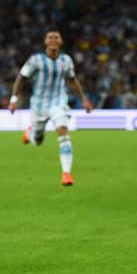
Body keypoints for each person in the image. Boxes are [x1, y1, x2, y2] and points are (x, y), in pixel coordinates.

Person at [9, 29, 93, 186]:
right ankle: (30, 134)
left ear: (60, 42)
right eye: (50, 37)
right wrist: (14, 99)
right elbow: (21, 78)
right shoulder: (35, 60)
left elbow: (73, 80)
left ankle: (66, 174)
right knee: (38, 140)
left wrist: (84, 100)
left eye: (56, 37)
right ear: (45, 42)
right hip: (38, 105)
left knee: (63, 131)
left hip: (58, 102)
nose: (53, 40)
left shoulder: (66, 60)